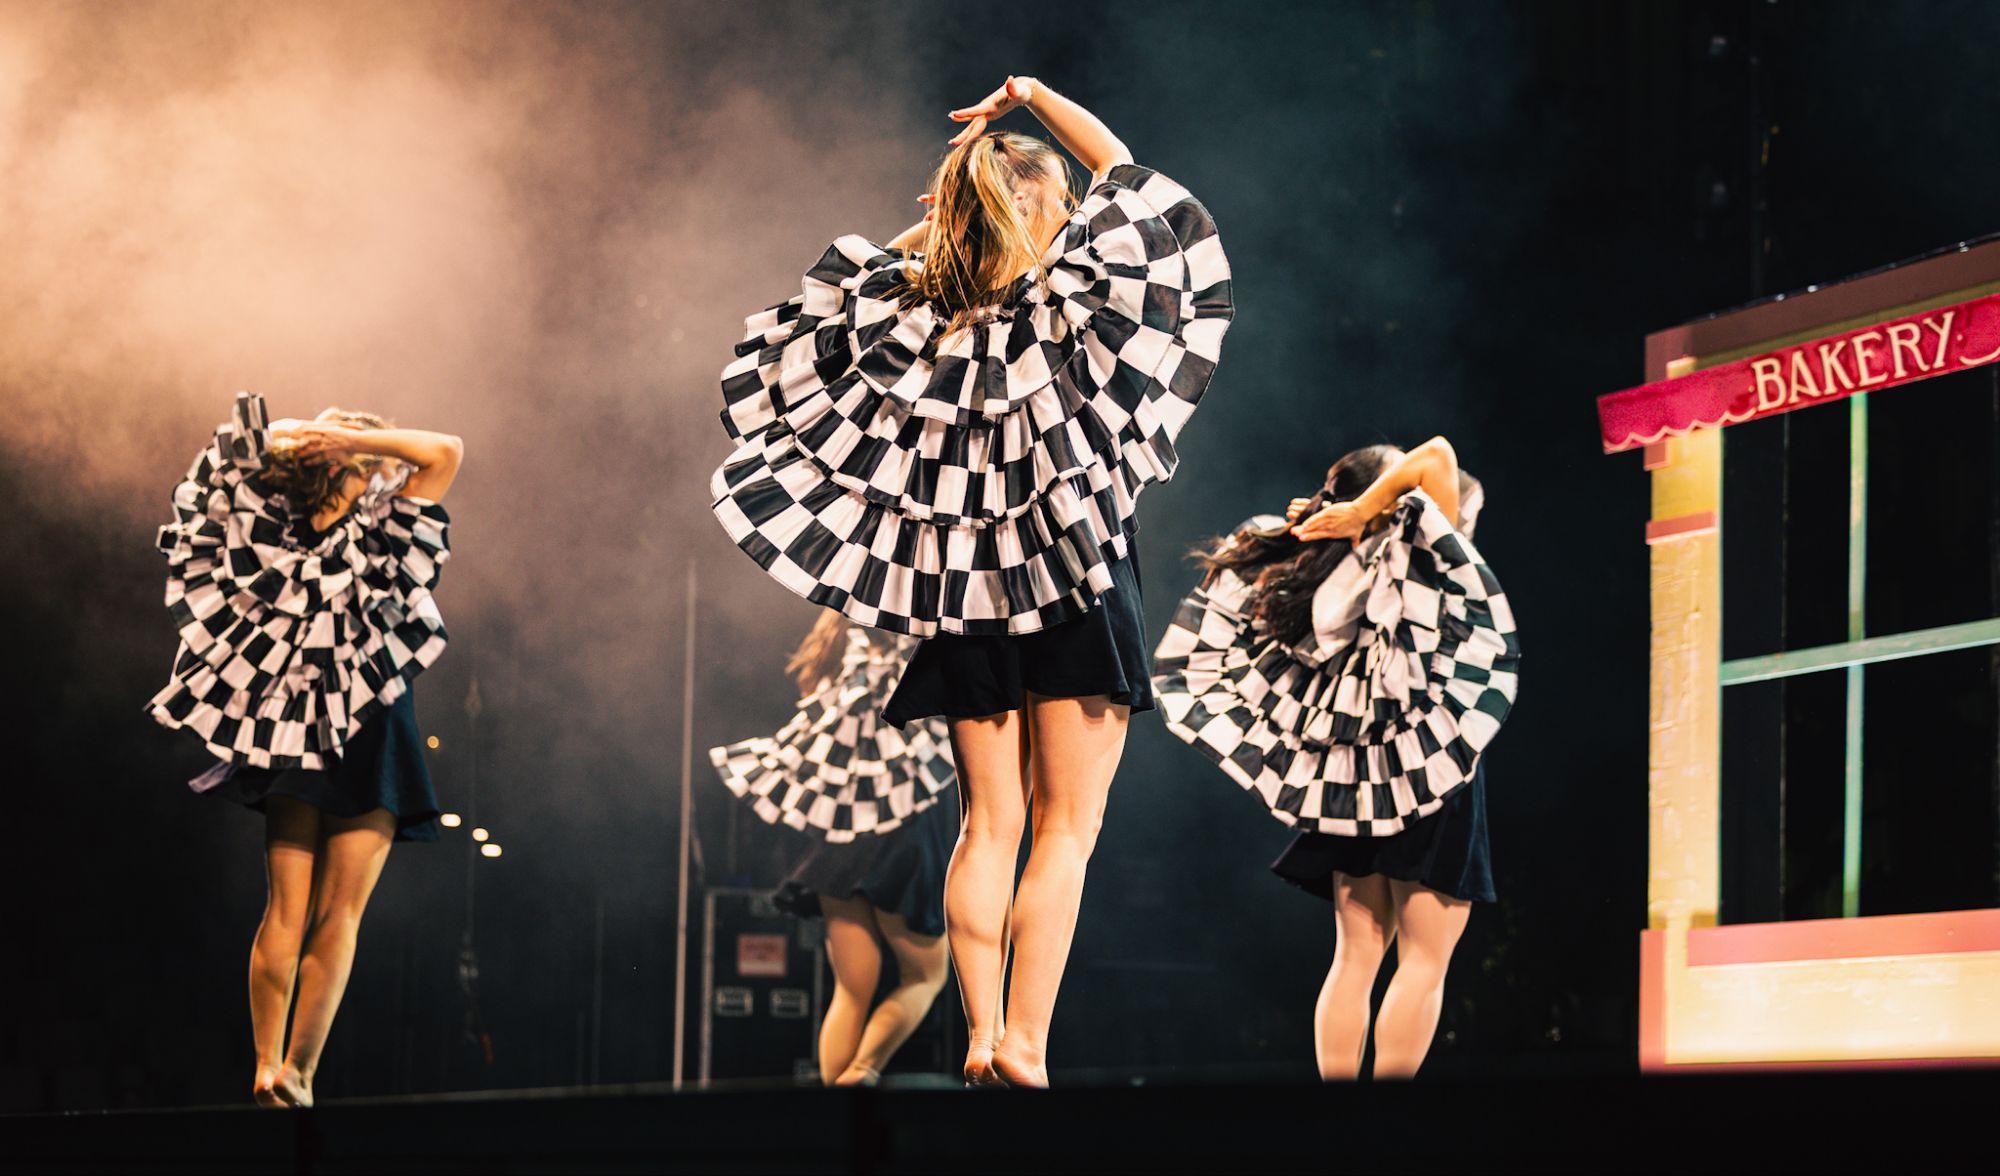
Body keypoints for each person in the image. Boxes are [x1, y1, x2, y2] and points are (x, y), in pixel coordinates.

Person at [708, 76, 1233, 1086]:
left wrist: (941, 225)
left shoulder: (923, 325)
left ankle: (983, 1033)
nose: (1073, 212)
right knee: (1066, 828)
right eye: (1058, 202)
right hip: (1075, 577)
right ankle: (1026, 1042)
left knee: (987, 825)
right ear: (1037, 205)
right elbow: (1126, 174)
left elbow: (822, 311)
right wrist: (1030, 96)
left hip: (966, 599)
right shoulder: (1069, 300)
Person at [1154, 437, 1518, 1080]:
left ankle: (1337, 1120)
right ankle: (1383, 1123)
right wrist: (1370, 508)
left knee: (1355, 957)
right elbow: (1438, 456)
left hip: (1349, 779)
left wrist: (1353, 512)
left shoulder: (1329, 571)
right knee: (1425, 960)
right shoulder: (1409, 547)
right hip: (1427, 768)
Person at [149, 392, 462, 1107]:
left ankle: (283, 1069)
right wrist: (339, 438)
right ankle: (285, 1071)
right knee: (317, 911)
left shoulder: (352, 529)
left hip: (331, 728)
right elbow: (439, 450)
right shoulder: (321, 528)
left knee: (310, 909)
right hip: (327, 726)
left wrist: (337, 439)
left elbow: (443, 449)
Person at [711, 612, 957, 1085]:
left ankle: (839, 1110)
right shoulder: (909, 641)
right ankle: (861, 1071)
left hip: (838, 837)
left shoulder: (837, 655)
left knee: (850, 991)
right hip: (900, 831)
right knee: (926, 978)